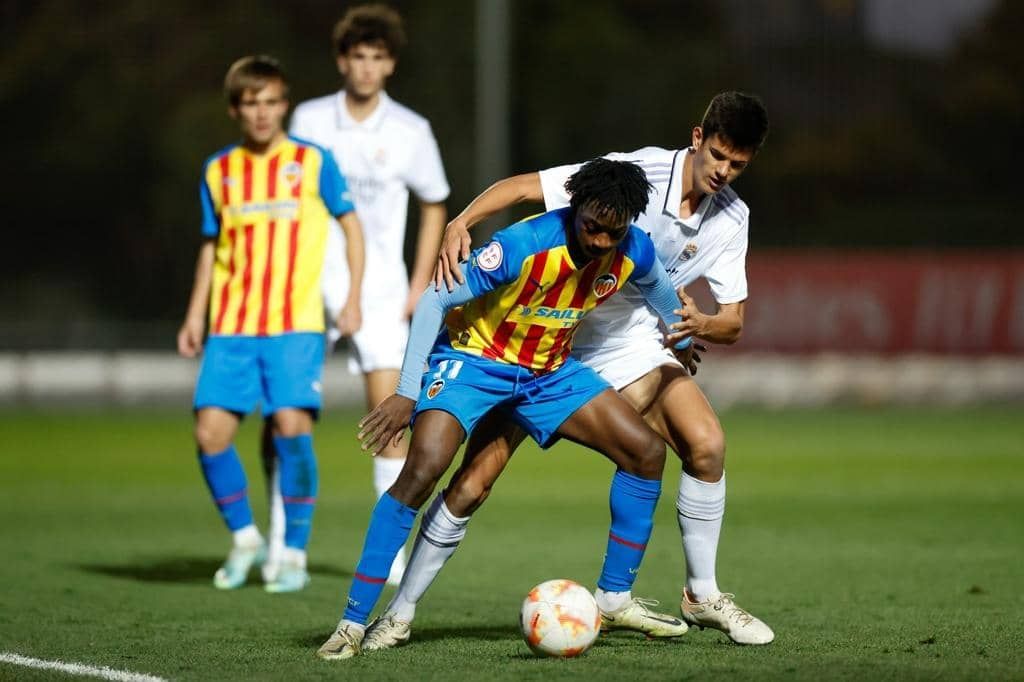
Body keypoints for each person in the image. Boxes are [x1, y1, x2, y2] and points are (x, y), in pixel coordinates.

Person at [365, 91, 774, 648]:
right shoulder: (631, 174)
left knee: (705, 444)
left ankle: (695, 594)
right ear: (697, 138)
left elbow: (731, 322)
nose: (724, 172)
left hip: (633, 342)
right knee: (475, 480)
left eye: (738, 165)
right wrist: (461, 220)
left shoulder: (732, 218)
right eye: (719, 156)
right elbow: (522, 188)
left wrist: (693, 325)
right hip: (547, 337)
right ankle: (399, 611)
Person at [316, 159, 693, 660]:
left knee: (645, 452)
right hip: (474, 361)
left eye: (614, 232)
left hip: (547, 373)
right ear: (575, 208)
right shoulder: (523, 244)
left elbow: (663, 292)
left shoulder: (634, 249)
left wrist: (680, 335)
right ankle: (354, 623)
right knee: (425, 470)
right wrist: (407, 391)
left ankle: (613, 598)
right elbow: (434, 300)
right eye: (592, 228)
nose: (601, 241)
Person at [264, 3, 450, 586]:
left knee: (390, 416)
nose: (367, 66)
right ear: (342, 60)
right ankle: (281, 545)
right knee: (285, 416)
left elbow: (435, 203)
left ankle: (388, 557)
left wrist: (420, 283)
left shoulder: (410, 130)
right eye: (358, 56)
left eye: (378, 57)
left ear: (390, 64)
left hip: (380, 291)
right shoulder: (310, 119)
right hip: (306, 283)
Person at [176, 55, 365, 594]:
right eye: (251, 103)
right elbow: (211, 246)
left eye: (271, 102)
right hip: (231, 326)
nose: (262, 112)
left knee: (291, 428)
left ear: (284, 105)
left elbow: (352, 229)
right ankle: (245, 538)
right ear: (235, 110)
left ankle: (294, 553)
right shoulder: (218, 170)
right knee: (210, 433)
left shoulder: (312, 161)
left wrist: (351, 299)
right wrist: (194, 314)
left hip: (295, 324)